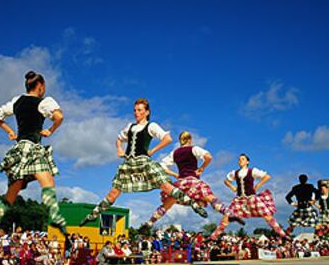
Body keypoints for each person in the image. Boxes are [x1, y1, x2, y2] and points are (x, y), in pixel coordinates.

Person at [79, 98, 207, 227]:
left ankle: (194, 204)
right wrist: (119, 149)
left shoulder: (151, 126)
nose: (136, 113)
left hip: (143, 162)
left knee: (166, 186)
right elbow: (119, 139)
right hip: (128, 164)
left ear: (146, 112)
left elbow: (167, 138)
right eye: (135, 110)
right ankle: (93, 214)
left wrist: (152, 150)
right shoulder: (130, 127)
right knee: (114, 192)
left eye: (139, 110)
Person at [0, 71, 68, 251]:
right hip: (33, 149)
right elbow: (59, 117)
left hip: (19, 150)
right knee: (48, 182)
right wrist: (50, 130)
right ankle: (56, 217)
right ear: (41, 85)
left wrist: (9, 131)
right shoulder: (44, 102)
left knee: (10, 195)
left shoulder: (17, 101)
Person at [144, 131, 244, 227]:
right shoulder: (194, 149)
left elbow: (161, 166)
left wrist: (174, 174)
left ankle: (150, 223)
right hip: (193, 181)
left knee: (167, 204)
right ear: (190, 140)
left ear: (180, 141)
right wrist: (202, 168)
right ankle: (228, 213)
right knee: (211, 198)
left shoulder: (174, 153)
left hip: (181, 183)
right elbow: (208, 157)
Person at [210, 153, 287, 240]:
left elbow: (267, 176)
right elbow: (226, 181)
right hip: (239, 200)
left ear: (247, 162)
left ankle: (282, 234)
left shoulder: (252, 171)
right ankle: (214, 236)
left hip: (251, 198)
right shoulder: (235, 173)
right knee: (227, 216)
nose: (240, 161)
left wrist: (257, 185)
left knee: (267, 215)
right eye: (239, 160)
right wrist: (233, 188)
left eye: (242, 159)